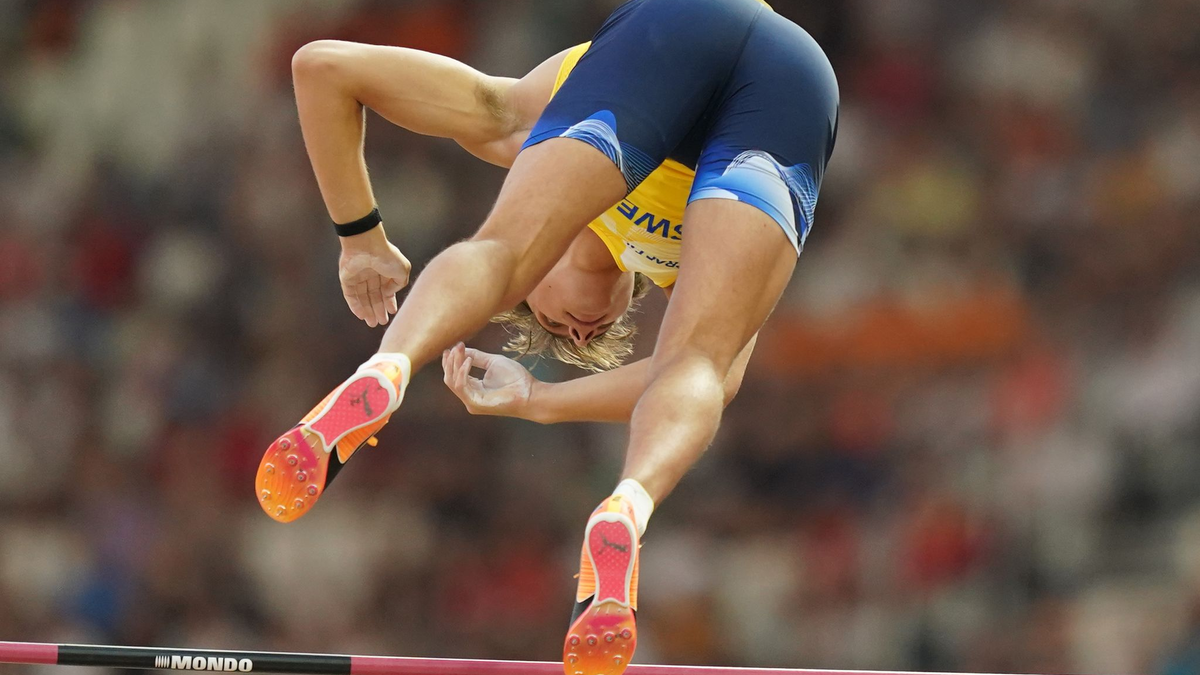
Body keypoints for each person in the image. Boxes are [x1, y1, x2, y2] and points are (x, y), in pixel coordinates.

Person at [258, 1, 838, 672]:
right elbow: (703, 381)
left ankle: (389, 367)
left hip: (679, 23)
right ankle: (629, 504)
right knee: (698, 362)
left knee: (504, 251)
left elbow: (324, 66)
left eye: (556, 323)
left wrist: (360, 238)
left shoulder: (520, 122)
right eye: (585, 332)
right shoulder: (683, 266)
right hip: (791, 78)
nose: (583, 327)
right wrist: (538, 397)